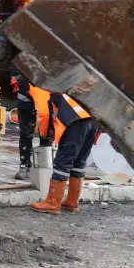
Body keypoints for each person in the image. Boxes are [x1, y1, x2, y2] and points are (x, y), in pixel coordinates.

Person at [28, 85, 99, 215]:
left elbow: (44, 113)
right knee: (79, 161)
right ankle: (72, 202)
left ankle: (52, 203)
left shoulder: (37, 85)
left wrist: (44, 134)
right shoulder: (61, 78)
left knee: (63, 161)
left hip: (74, 120)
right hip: (93, 117)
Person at [12, 72, 42, 180]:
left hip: (47, 100)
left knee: (46, 135)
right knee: (25, 134)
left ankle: (44, 169)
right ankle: (25, 165)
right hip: (26, 102)